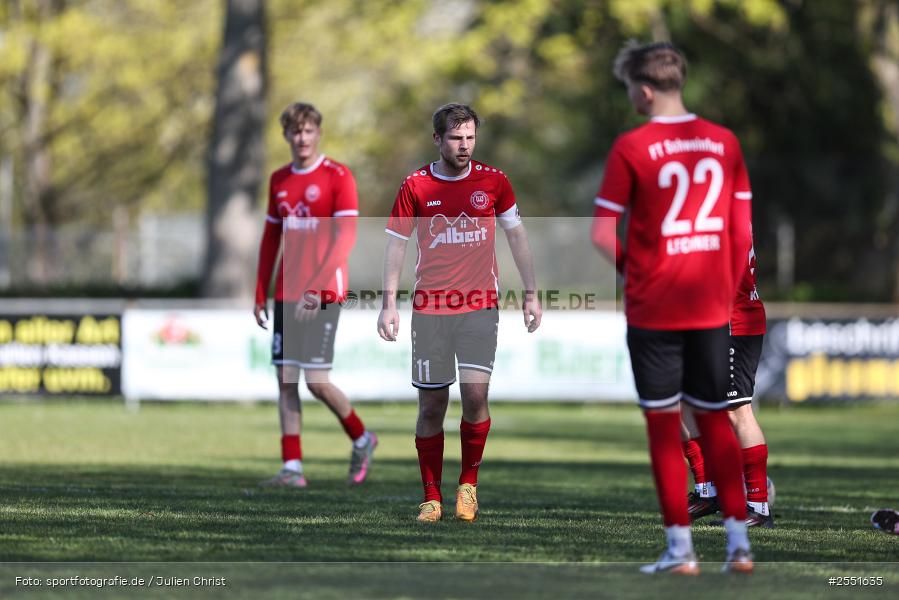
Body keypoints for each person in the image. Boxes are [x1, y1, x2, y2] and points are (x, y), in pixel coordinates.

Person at [591, 42, 755, 574]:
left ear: (642, 90)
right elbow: (740, 231)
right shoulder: (724, 141)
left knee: (664, 427)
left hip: (654, 308)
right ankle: (739, 546)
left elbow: (599, 233)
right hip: (711, 306)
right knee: (714, 421)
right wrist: (722, 285)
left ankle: (681, 553)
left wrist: (633, 276)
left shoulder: (631, 146)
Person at [377, 103, 542, 523]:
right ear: (437, 139)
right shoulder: (416, 186)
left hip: (480, 306)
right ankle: (431, 496)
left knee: (474, 396)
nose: (464, 145)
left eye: (470, 137)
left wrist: (531, 292)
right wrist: (388, 303)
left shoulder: (494, 182)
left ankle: (468, 485)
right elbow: (396, 243)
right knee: (432, 406)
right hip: (430, 310)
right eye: (455, 138)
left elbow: (517, 235)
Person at [254, 102, 377, 487]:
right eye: (295, 132)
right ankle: (292, 468)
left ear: (318, 133)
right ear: (286, 136)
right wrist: (261, 290)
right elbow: (272, 237)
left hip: (324, 291)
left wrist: (317, 288)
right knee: (286, 380)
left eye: (308, 131)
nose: (302, 138)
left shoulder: (338, 176)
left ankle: (362, 437)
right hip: (288, 294)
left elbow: (346, 239)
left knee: (317, 381)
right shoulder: (279, 180)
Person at [682, 241, 774, 528]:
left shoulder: (725, 209)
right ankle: (708, 492)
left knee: (737, 411)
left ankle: (758, 508)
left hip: (733, 320)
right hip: (706, 321)